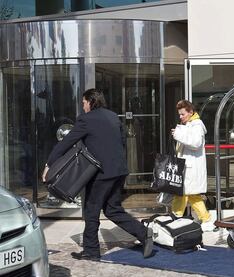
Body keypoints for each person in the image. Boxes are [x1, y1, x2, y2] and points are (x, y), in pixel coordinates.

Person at [42, 88, 153, 260]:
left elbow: (67, 142)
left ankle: (91, 252)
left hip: (101, 173)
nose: (83, 106)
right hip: (119, 171)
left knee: (91, 212)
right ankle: (144, 233)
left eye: (84, 103)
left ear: (91, 101)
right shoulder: (113, 116)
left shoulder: (86, 120)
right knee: (112, 210)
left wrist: (49, 164)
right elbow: (122, 142)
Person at [171, 100, 215, 232]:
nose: (180, 117)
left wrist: (178, 135)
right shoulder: (192, 124)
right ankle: (205, 219)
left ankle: (175, 217)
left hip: (191, 167)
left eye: (182, 114)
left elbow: (195, 143)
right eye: (179, 114)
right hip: (188, 167)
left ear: (190, 112)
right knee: (190, 195)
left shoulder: (196, 125)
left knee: (183, 194)